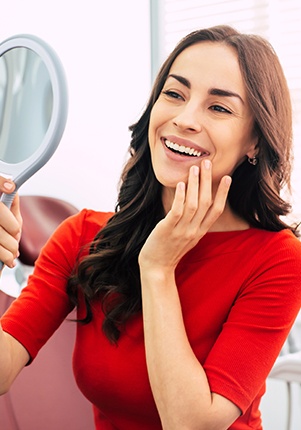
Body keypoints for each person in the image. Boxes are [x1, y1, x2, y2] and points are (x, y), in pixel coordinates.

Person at [0, 24, 301, 430]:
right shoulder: (82, 237)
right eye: (174, 94)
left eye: (219, 107)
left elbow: (190, 423)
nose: (185, 119)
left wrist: (157, 268)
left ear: (255, 143)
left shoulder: (278, 259)